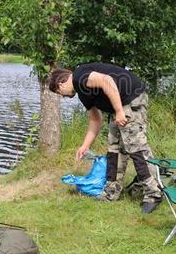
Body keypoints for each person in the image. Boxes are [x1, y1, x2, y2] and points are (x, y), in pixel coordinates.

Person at [48, 63, 163, 214]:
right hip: (119, 105)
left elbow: (107, 81)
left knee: (135, 147)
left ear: (60, 84)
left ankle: (154, 193)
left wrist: (119, 111)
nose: (63, 97)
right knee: (114, 148)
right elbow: (95, 120)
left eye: (59, 93)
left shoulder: (79, 77)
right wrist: (85, 146)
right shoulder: (82, 91)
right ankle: (111, 191)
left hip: (131, 99)